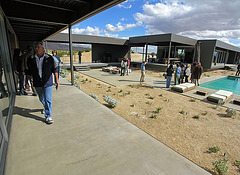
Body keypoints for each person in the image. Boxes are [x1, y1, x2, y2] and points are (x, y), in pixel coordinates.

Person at [27, 41, 59, 124]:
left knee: (48, 99)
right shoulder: (31, 59)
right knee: (41, 98)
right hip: (37, 82)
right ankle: (45, 107)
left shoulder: (49, 58)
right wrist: (27, 82)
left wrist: (57, 80)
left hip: (47, 82)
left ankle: (48, 116)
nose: (36, 49)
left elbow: (55, 68)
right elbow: (29, 72)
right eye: (35, 47)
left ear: (43, 48)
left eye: (38, 47)